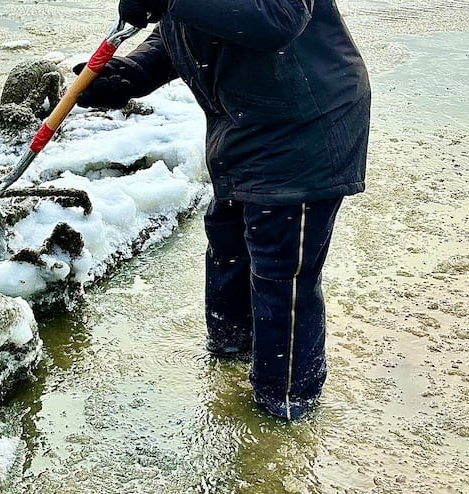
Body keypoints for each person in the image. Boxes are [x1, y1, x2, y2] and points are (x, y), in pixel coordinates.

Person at [78, 0, 371, 420]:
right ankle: (230, 355)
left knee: (281, 273)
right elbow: (184, 27)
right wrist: (135, 73)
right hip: (242, 126)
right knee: (227, 245)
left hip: (306, 127)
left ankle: (284, 410)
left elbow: (276, 19)